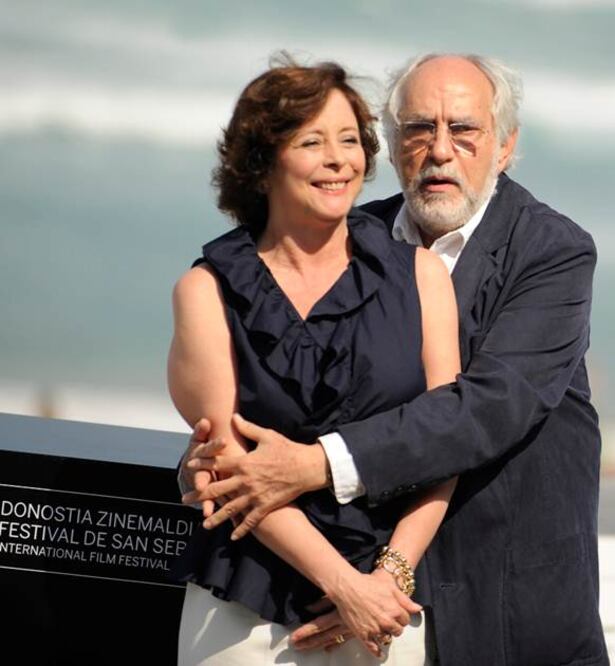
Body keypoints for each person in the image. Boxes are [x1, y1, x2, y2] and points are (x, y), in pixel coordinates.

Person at [183, 53, 609, 665]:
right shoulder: (348, 238)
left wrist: (319, 466)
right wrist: (207, 464)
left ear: (505, 146)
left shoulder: (553, 251)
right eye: (418, 128)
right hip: (355, 604)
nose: (440, 150)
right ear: (391, 139)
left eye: (463, 130)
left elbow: (485, 410)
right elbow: (272, 393)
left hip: (507, 606)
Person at [169, 57, 461, 664]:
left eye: (351, 140)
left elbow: (446, 443)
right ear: (263, 161)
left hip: (387, 608)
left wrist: (389, 578)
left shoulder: (422, 276)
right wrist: (341, 584)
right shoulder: (206, 289)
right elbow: (225, 465)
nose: (339, 160)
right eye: (312, 142)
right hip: (244, 607)